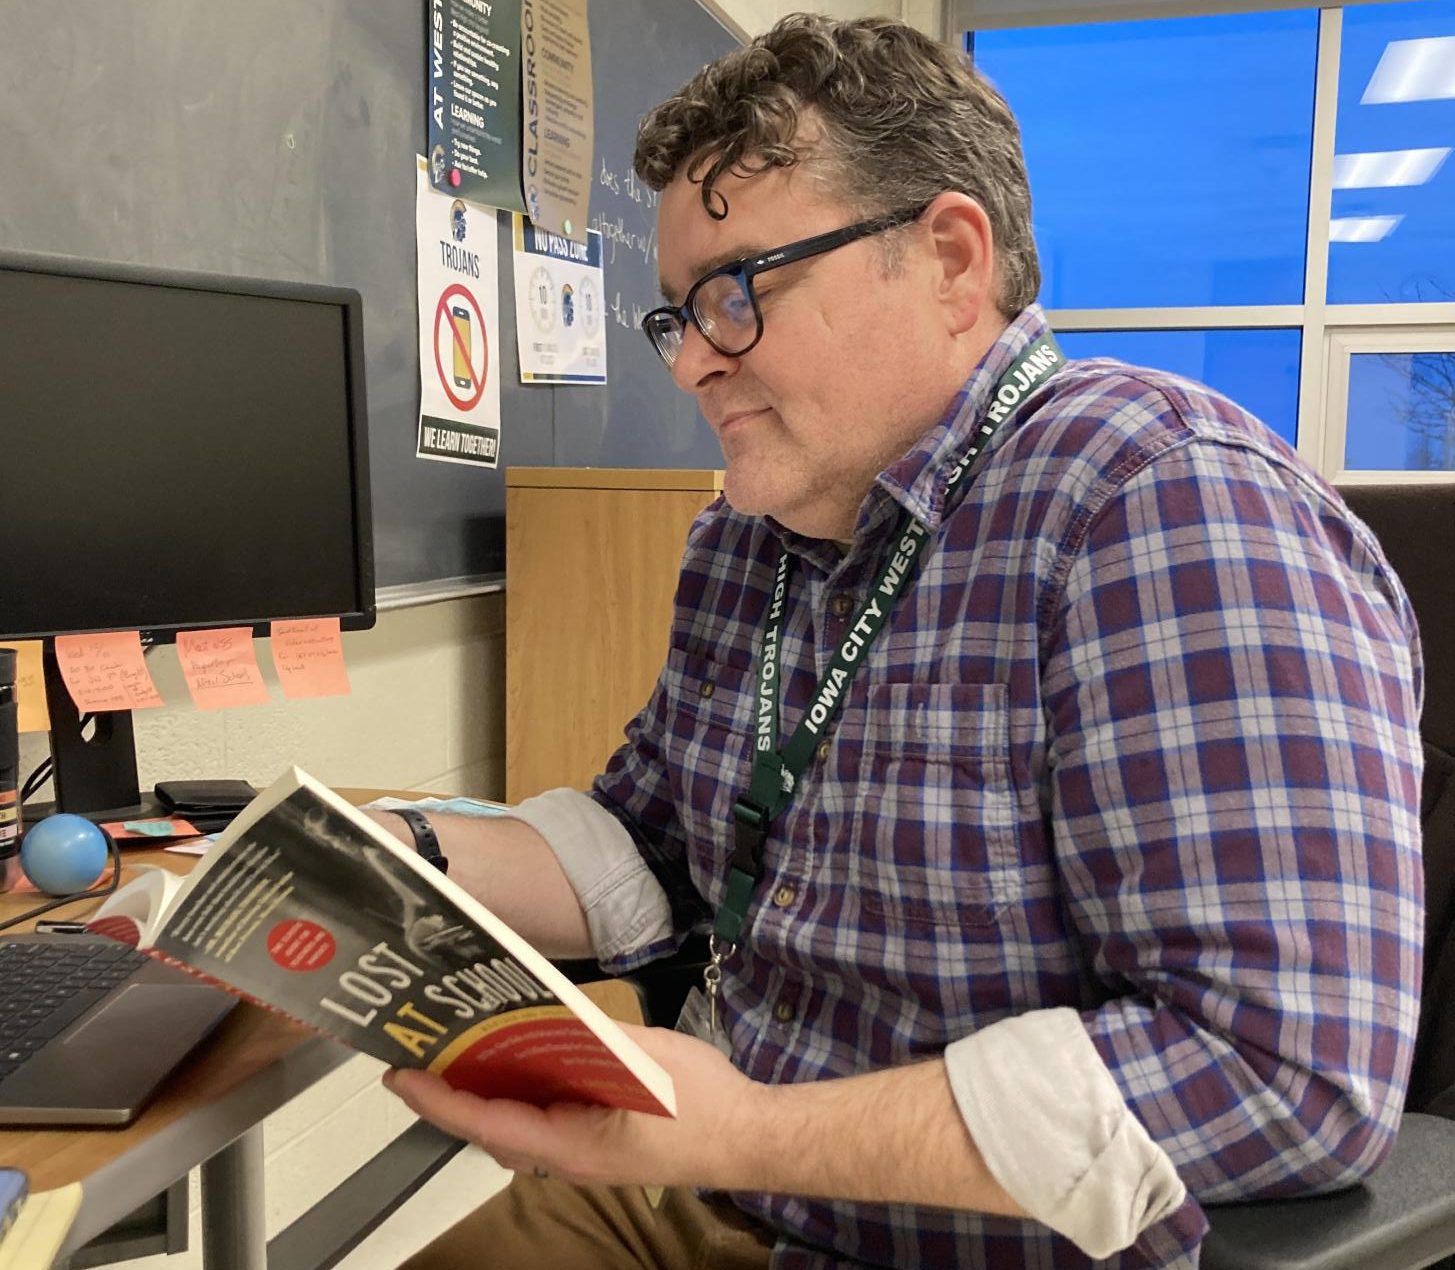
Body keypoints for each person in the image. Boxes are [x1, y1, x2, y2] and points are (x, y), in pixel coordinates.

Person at [375, 15, 1425, 1269]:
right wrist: (395, 859)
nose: (694, 363)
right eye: (678, 315)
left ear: (948, 258)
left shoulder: (1155, 504)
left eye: (739, 293)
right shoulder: (752, 540)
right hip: (718, 1188)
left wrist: (748, 1132)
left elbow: (1283, 1074)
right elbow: (646, 844)